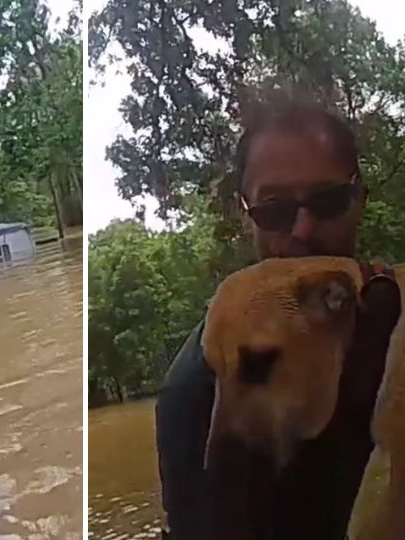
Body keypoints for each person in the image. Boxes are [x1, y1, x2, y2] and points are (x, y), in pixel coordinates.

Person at [155, 100, 402, 539]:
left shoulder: (393, 324)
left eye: (327, 202)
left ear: (358, 197)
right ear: (245, 213)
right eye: (274, 210)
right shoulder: (190, 390)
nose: (302, 230)